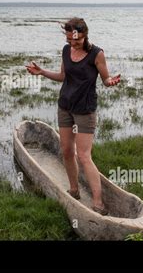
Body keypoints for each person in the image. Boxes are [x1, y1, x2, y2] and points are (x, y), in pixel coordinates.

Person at [25, 17, 120, 215]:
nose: (73, 44)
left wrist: (110, 82)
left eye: (76, 40)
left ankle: (98, 202)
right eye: (69, 40)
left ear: (85, 34)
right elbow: (63, 77)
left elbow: (105, 79)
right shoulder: (66, 50)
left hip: (85, 109)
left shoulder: (97, 54)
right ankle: (74, 189)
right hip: (65, 106)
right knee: (67, 150)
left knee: (84, 156)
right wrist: (41, 72)